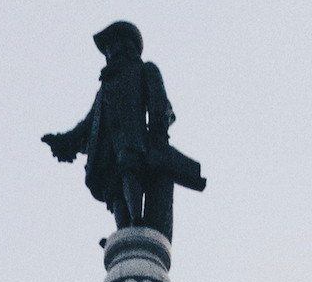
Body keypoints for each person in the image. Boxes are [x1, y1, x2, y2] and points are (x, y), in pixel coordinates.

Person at [42, 21, 204, 241]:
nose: (109, 52)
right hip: (108, 148)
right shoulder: (105, 87)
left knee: (129, 169)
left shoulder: (144, 70)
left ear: (126, 46)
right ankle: (124, 230)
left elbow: (159, 104)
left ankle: (137, 221)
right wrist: (64, 141)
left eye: (112, 46)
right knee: (113, 187)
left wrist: (157, 136)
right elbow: (89, 125)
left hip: (133, 140)